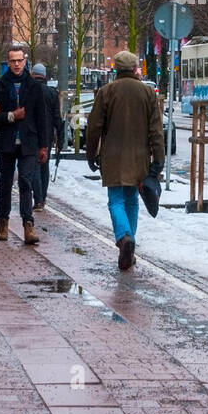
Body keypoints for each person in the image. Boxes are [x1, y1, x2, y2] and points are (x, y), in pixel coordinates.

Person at [85, 50, 164, 271]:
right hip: (140, 158)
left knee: (115, 200)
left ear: (116, 69)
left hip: (112, 156)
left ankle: (124, 238)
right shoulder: (148, 93)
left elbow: (94, 128)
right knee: (132, 200)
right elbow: (156, 131)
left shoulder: (106, 91)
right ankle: (129, 243)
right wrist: (158, 161)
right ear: (136, 69)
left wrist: (91, 154)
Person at [0, 45, 50, 244]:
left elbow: (42, 117)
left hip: (29, 142)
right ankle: (4, 222)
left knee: (25, 181)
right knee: (5, 183)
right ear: (8, 63)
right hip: (7, 141)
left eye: (19, 60)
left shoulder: (33, 85)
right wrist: (10, 117)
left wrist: (44, 146)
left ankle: (28, 225)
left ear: (25, 62)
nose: (16, 64)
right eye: (13, 61)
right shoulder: (0, 84)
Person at [30, 63, 63, 211]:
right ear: (44, 76)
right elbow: (58, 118)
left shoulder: (29, 90)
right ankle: (42, 198)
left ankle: (37, 199)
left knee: (34, 165)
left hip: (31, 132)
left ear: (33, 74)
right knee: (44, 165)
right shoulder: (52, 93)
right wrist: (60, 139)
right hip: (48, 133)